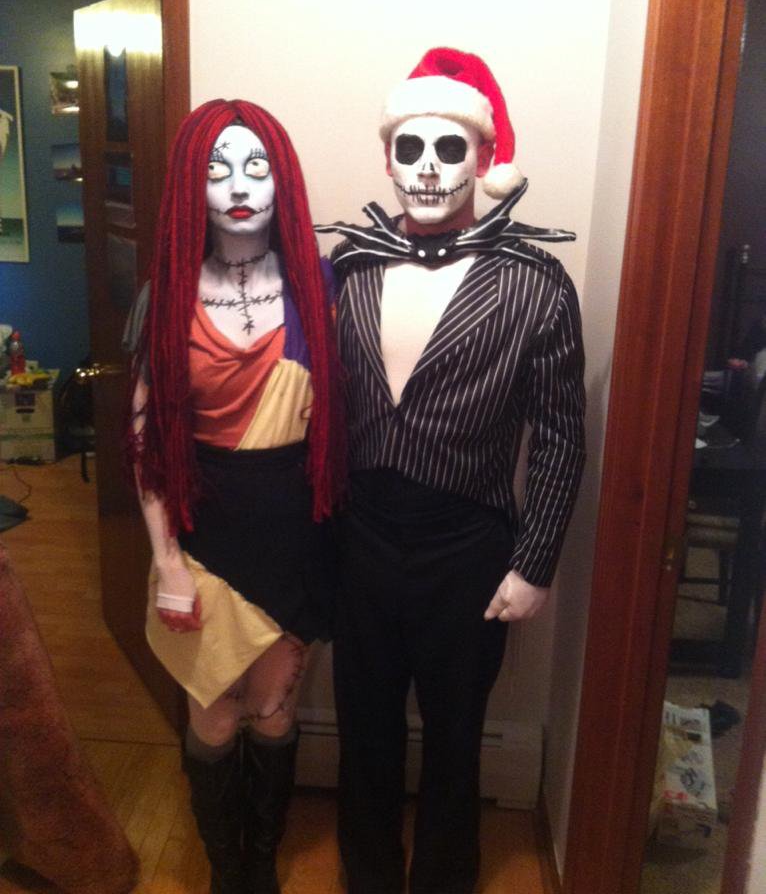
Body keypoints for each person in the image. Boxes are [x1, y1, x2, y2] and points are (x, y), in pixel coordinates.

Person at [317, 48, 586, 894]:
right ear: (387, 158)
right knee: (364, 727)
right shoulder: (349, 265)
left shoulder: (536, 284)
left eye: (449, 148)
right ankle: (368, 877)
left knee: (456, 734)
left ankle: (442, 880)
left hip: (468, 546)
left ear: (483, 158)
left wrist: (534, 565)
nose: (428, 169)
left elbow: (561, 435)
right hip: (362, 537)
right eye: (410, 148)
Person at [125, 99, 344, 894]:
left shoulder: (318, 286)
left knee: (275, 708)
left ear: (282, 181)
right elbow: (146, 442)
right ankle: (228, 871)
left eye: (257, 167)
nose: (240, 186)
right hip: (201, 533)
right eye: (218, 170)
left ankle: (262, 863)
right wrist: (166, 564)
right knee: (214, 714)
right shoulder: (165, 295)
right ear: (193, 185)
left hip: (296, 531)